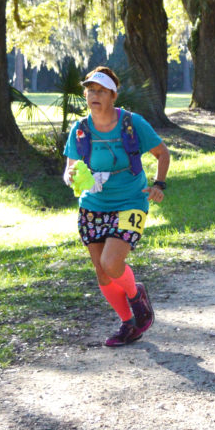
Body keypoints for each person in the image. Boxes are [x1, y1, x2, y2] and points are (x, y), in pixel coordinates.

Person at [63, 66, 170, 347]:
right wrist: (70, 176)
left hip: (130, 202)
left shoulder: (132, 124)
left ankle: (137, 297)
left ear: (113, 94)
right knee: (101, 270)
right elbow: (69, 169)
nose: (93, 95)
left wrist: (159, 185)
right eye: (89, 90)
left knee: (112, 264)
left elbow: (162, 153)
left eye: (100, 91)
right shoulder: (80, 129)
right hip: (92, 206)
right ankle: (128, 324)